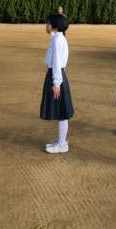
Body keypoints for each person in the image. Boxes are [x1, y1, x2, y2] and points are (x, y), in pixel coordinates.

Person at [40, 13, 74, 154]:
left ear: (54, 25)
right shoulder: (58, 38)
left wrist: (56, 83)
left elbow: (56, 62)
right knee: (61, 111)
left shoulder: (57, 40)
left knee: (61, 112)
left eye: (48, 23)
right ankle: (61, 140)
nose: (46, 26)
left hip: (56, 76)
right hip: (58, 75)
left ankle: (61, 144)